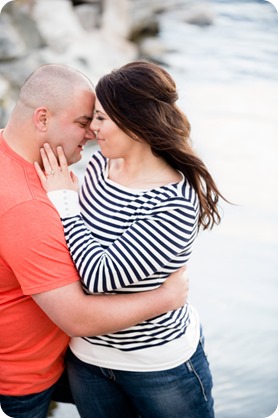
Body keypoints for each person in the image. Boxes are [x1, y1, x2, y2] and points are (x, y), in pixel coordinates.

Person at [35, 60, 225, 418]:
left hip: (158, 369)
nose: (92, 130)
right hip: (87, 361)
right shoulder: (98, 167)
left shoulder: (173, 202)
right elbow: (70, 249)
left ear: (135, 124)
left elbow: (98, 276)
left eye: (102, 118)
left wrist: (64, 201)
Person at [0, 63, 189, 418]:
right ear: (42, 118)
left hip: (56, 360)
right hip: (25, 380)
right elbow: (78, 319)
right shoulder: (27, 205)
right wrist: (166, 296)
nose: (91, 135)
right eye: (84, 122)